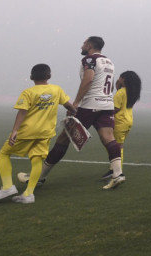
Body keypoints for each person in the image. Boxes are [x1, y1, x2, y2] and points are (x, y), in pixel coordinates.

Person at [20, 37, 126, 190]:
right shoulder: (109, 61)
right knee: (109, 138)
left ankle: (38, 178)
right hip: (107, 104)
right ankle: (118, 174)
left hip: (90, 105)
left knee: (64, 138)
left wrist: (75, 102)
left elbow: (89, 79)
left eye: (84, 43)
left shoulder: (89, 59)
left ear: (89, 45)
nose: (81, 46)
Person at [0, 64, 76, 204]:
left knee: (3, 154)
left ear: (31, 77)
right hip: (46, 132)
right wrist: (74, 112)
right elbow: (69, 106)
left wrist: (15, 130)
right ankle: (28, 194)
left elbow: (22, 111)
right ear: (49, 76)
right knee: (36, 160)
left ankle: (7, 187)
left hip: (28, 131)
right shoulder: (56, 89)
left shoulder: (28, 92)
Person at [101, 70, 142, 179]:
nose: (118, 79)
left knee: (114, 146)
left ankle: (114, 170)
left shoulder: (121, 92)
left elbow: (114, 108)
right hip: (128, 120)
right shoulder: (131, 92)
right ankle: (114, 169)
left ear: (124, 79)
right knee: (119, 146)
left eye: (119, 77)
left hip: (119, 122)